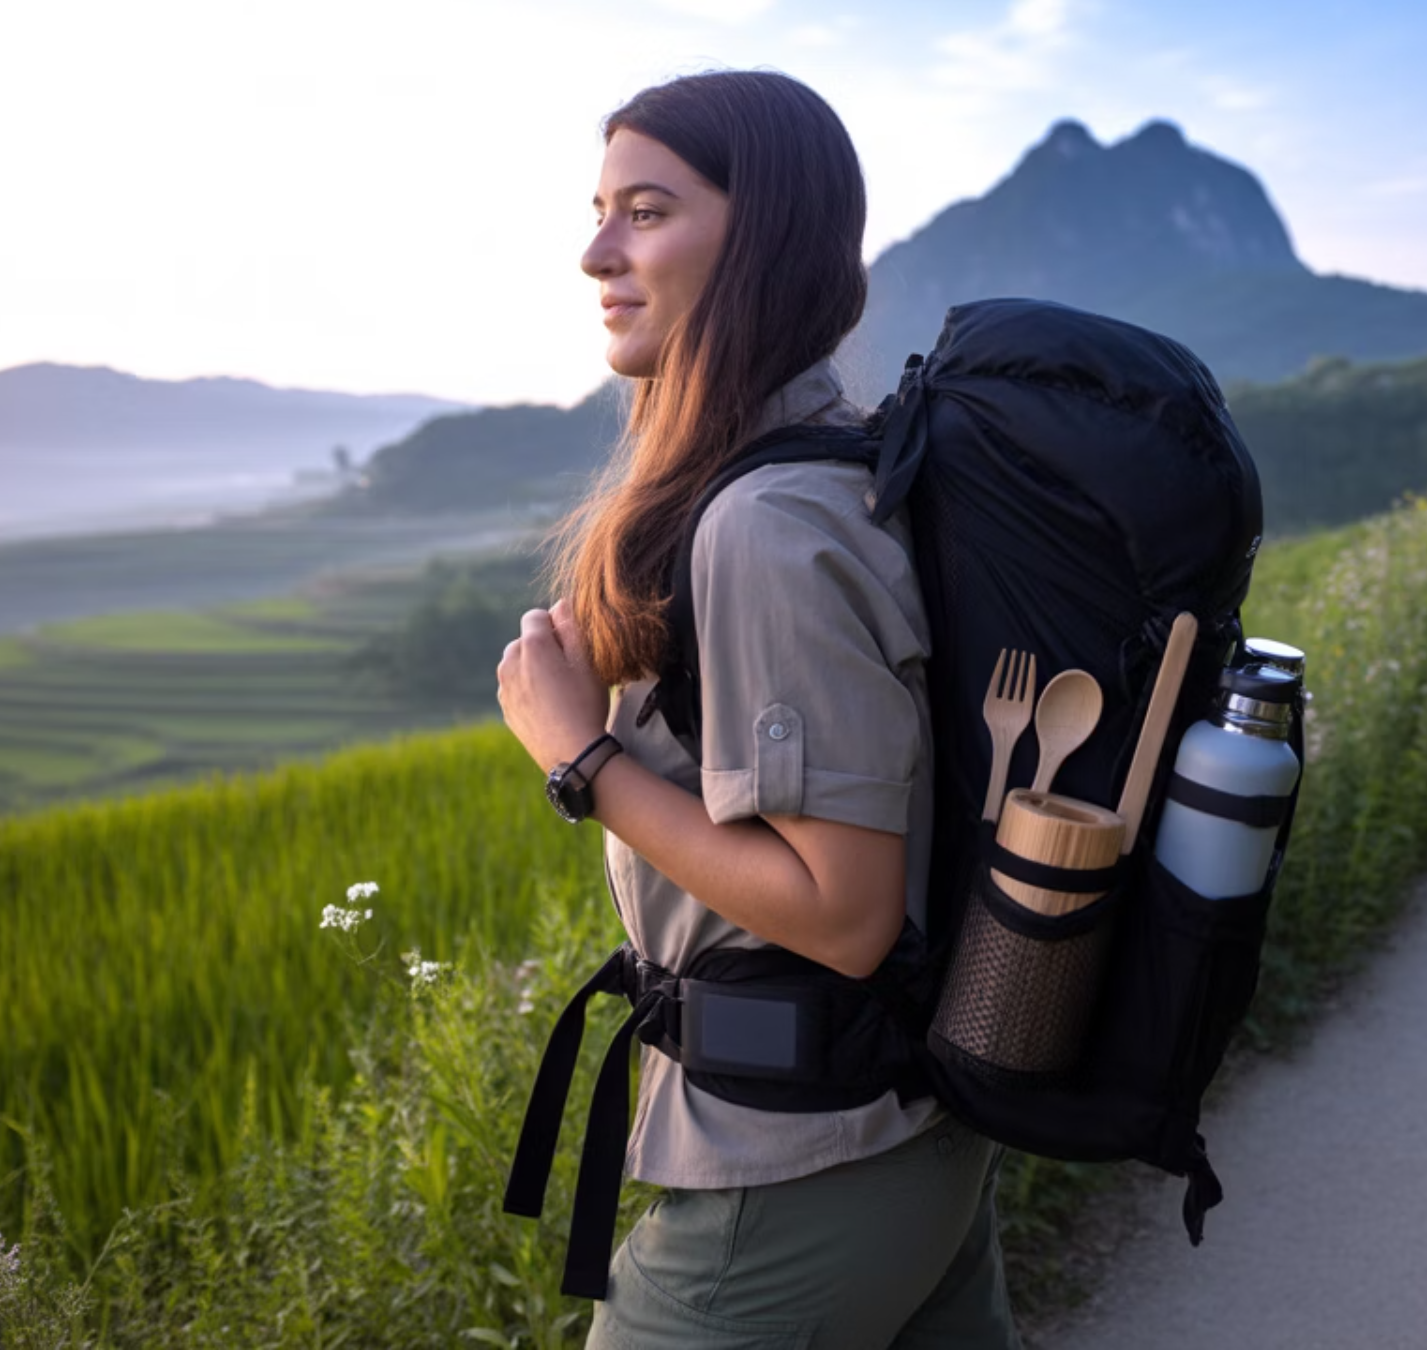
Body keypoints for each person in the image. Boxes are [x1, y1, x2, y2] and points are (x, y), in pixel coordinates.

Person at [492, 70, 1021, 1350]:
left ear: (761, 236)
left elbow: (841, 912)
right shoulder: (824, 465)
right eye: (603, 209)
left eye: (648, 211)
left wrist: (583, 757)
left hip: (799, 1173)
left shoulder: (768, 525)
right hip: (899, 1138)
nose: (596, 251)